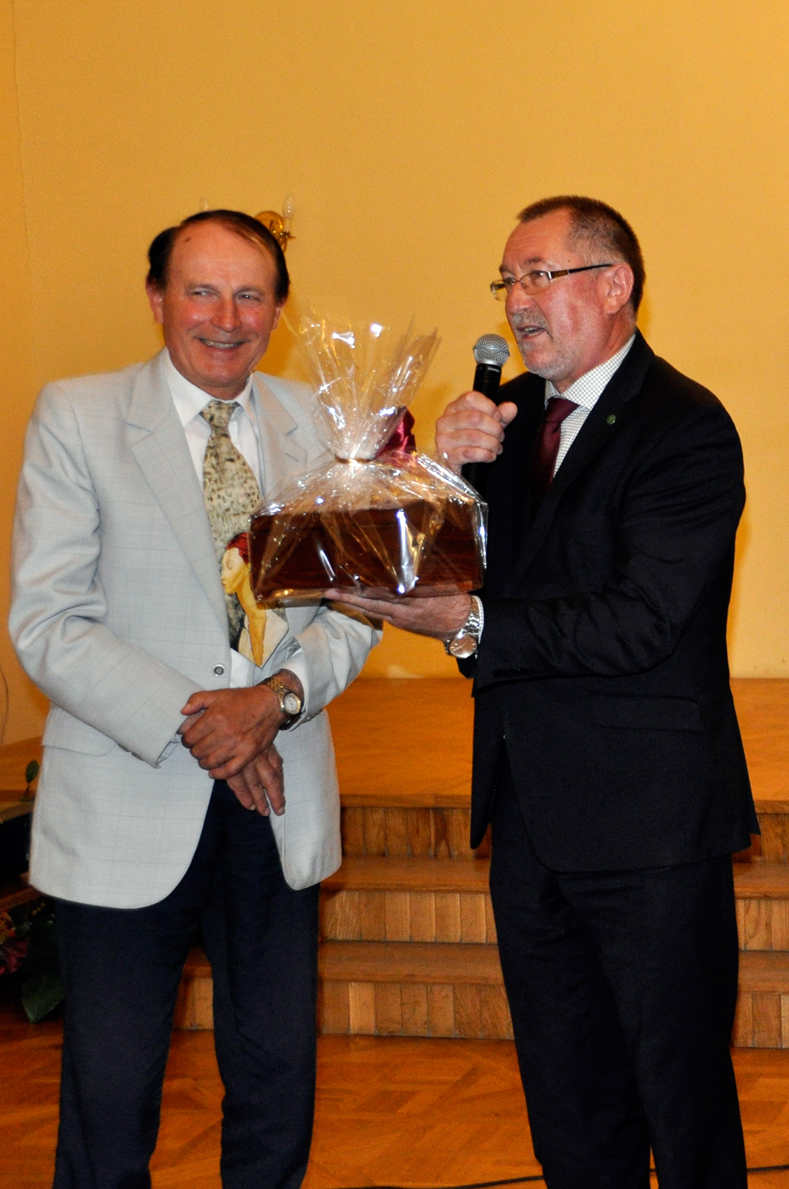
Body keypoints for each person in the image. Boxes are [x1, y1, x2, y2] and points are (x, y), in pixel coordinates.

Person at [327, 196, 754, 1188]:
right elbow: (463, 579)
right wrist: (441, 474)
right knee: (569, 1108)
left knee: (680, 1102)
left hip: (649, 829)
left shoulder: (685, 425)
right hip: (528, 819)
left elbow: (642, 620)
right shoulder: (507, 421)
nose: (516, 302)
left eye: (538, 275)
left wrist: (472, 623)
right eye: (506, 281)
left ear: (615, 285)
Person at [10, 209, 379, 1189]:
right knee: (111, 1098)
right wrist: (214, 721)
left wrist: (276, 699)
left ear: (278, 312)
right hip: (128, 799)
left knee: (276, 1084)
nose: (226, 317)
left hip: (278, 798)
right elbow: (50, 620)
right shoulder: (79, 415)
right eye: (201, 291)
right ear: (157, 298)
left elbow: (359, 608)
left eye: (250, 295)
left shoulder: (321, 426)